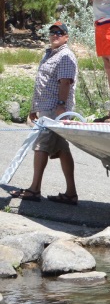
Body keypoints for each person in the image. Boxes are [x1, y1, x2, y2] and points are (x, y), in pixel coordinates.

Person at [10, 22, 79, 205]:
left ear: (66, 36)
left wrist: (61, 106)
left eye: (59, 32)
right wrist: (34, 107)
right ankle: (71, 194)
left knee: (41, 147)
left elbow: (65, 83)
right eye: (52, 32)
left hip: (55, 110)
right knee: (62, 150)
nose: (55, 35)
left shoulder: (65, 56)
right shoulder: (50, 54)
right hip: (47, 108)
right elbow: (43, 83)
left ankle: (34, 189)